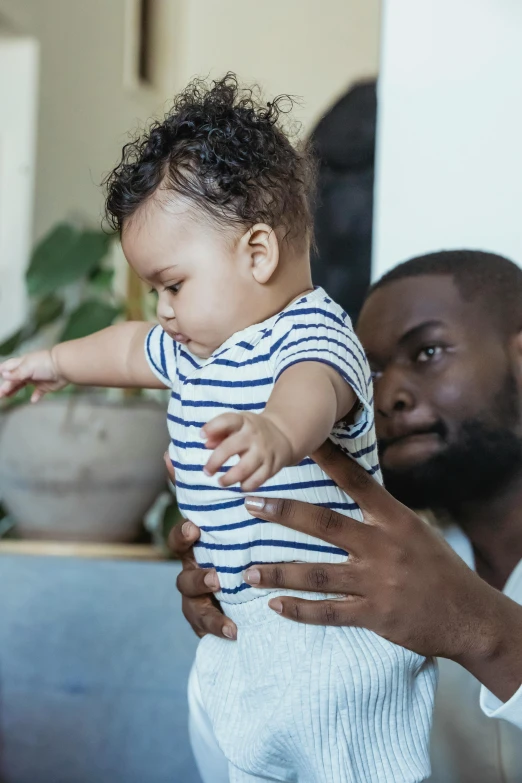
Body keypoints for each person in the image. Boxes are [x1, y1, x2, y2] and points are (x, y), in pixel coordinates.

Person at [0, 75, 435, 782]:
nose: (164, 309)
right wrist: (51, 360)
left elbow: (315, 387)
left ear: (257, 253)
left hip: (336, 634)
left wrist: (276, 432)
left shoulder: (311, 330)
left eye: (173, 284)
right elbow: (125, 344)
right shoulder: (194, 347)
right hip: (245, 631)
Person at [172, 249, 522, 783]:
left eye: (427, 352)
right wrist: (253, 647)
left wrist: (483, 629)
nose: (385, 396)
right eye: (370, 370)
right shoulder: (337, 571)